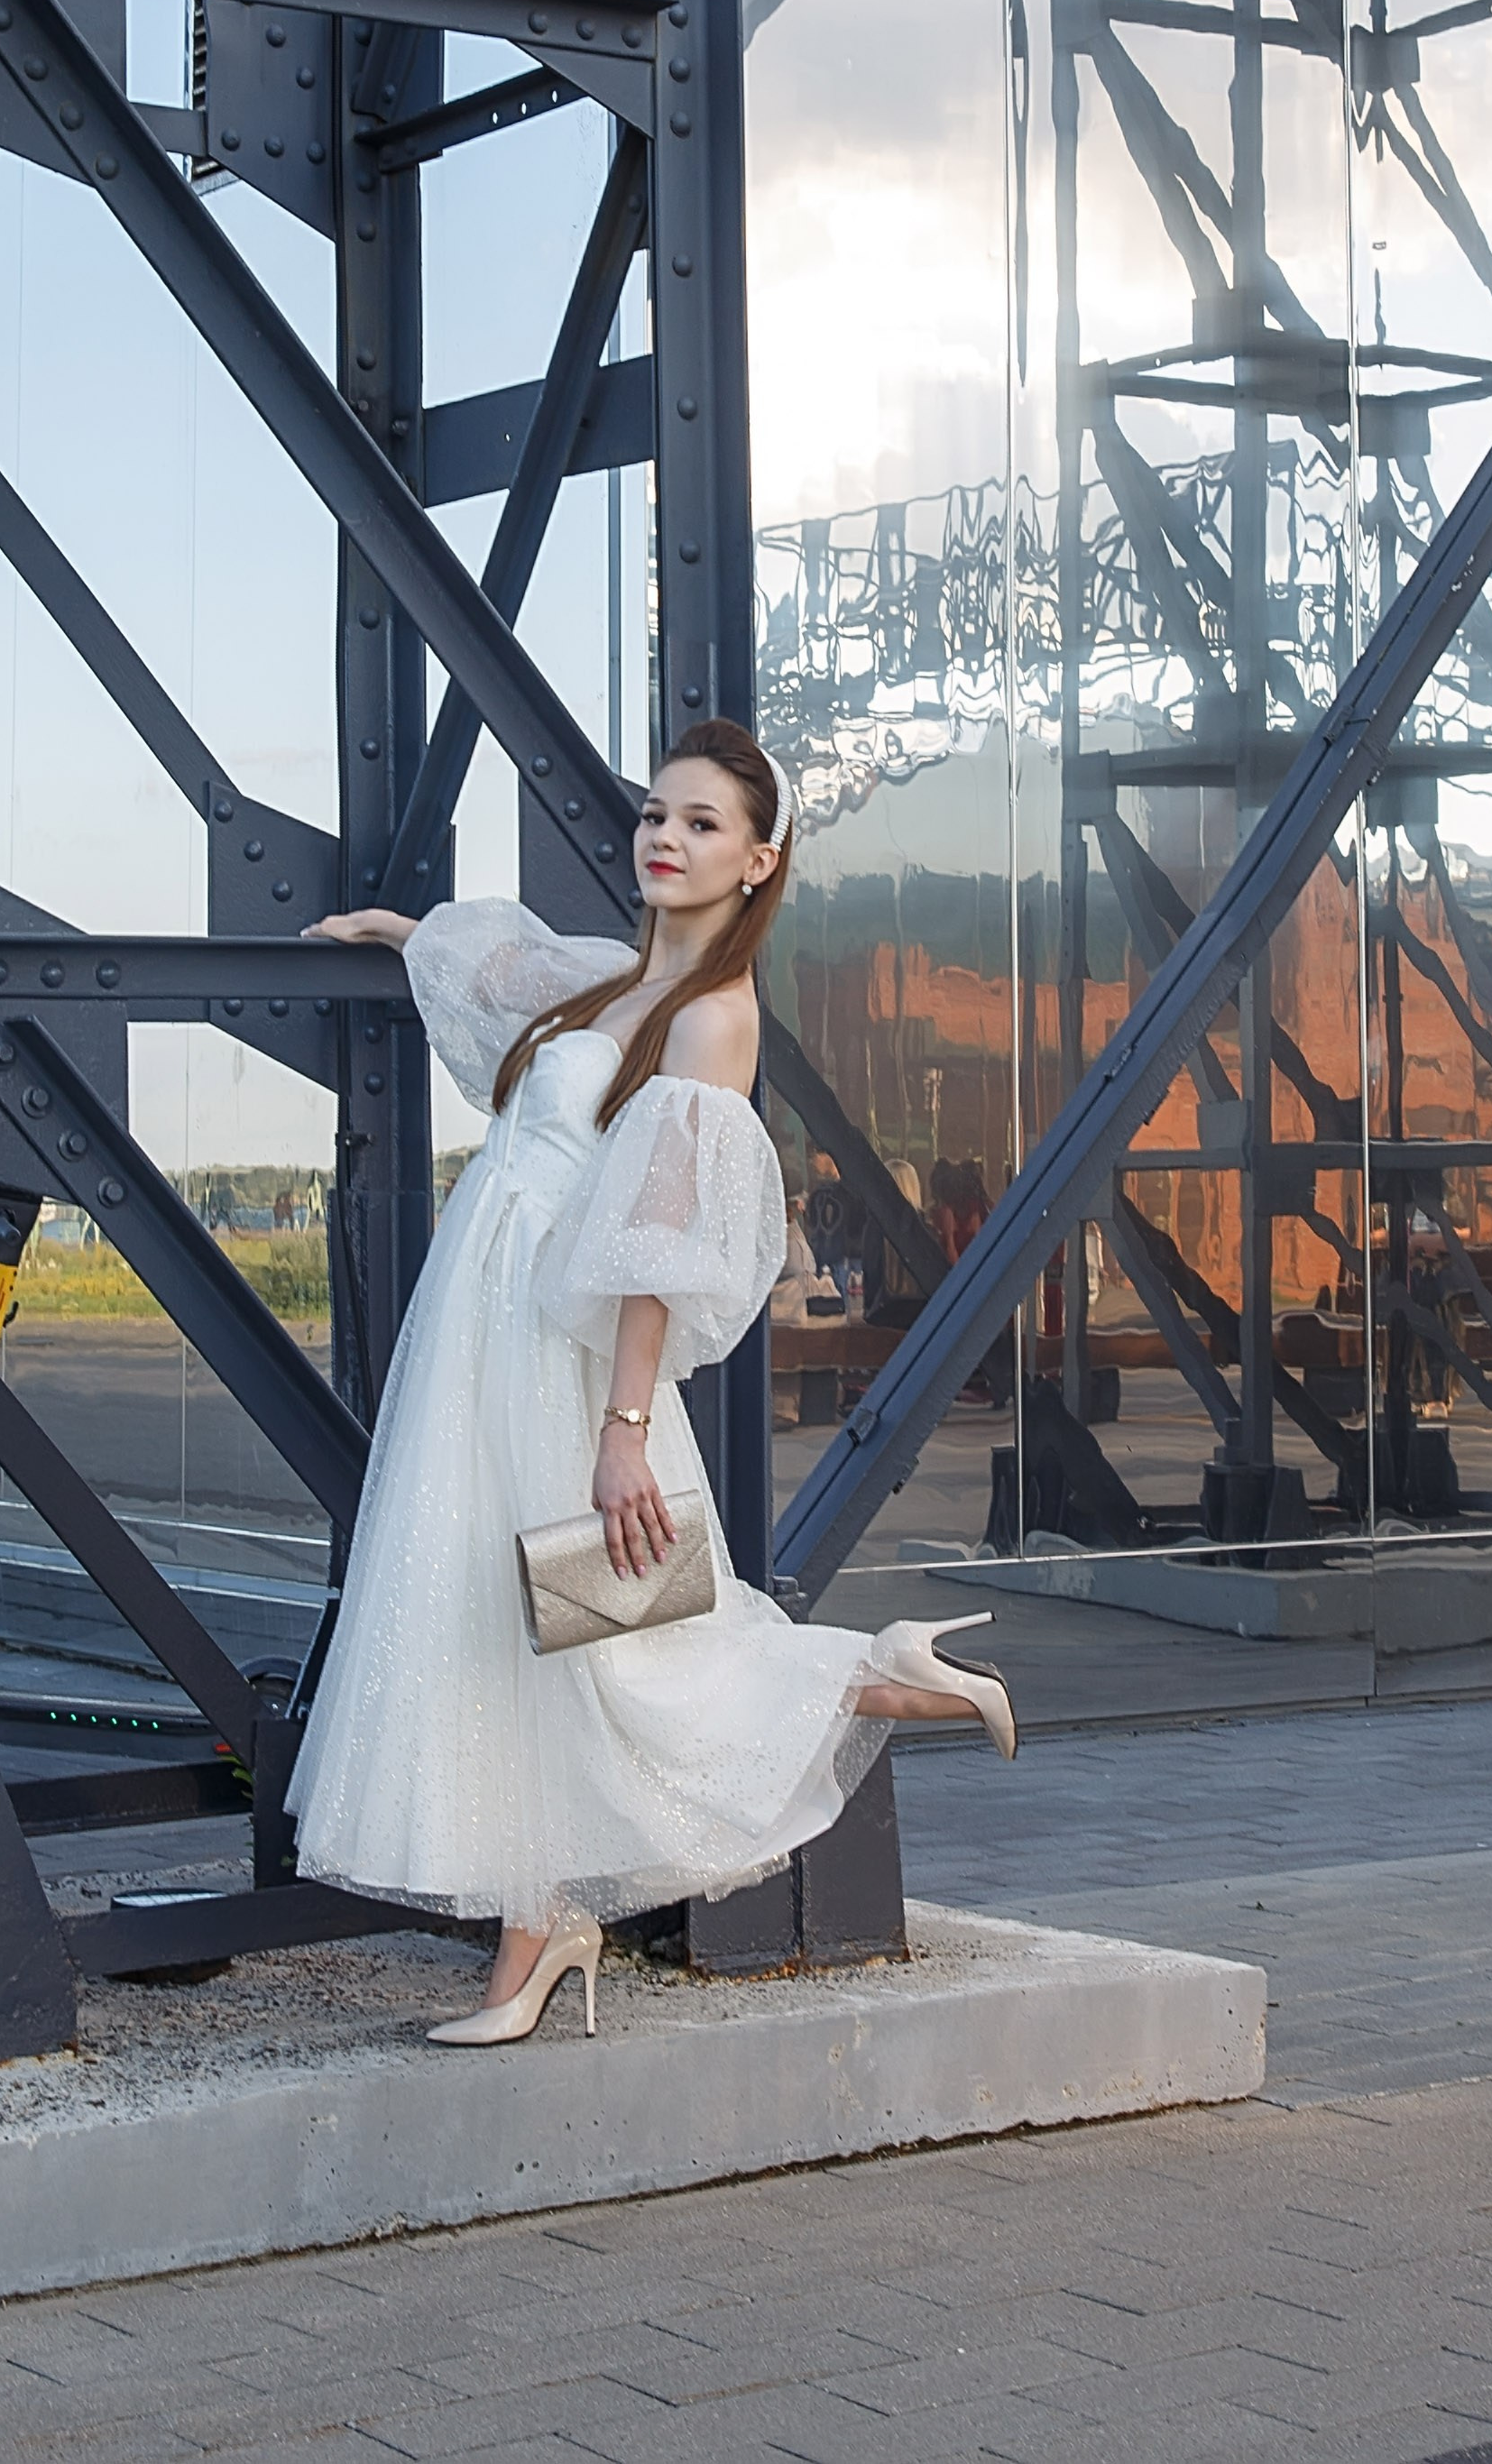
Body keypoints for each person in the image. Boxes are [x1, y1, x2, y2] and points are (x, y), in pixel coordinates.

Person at [292, 721, 1015, 2050]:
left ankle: (876, 1673)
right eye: (657, 815)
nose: (665, 838)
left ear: (760, 859)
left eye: (701, 824)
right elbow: (502, 967)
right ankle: (539, 1931)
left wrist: (624, 1428)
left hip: (565, 1356)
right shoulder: (612, 981)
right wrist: (401, 931)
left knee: (624, 1638)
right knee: (513, 1631)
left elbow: (657, 1241)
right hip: (487, 1336)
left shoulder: (712, 1017)